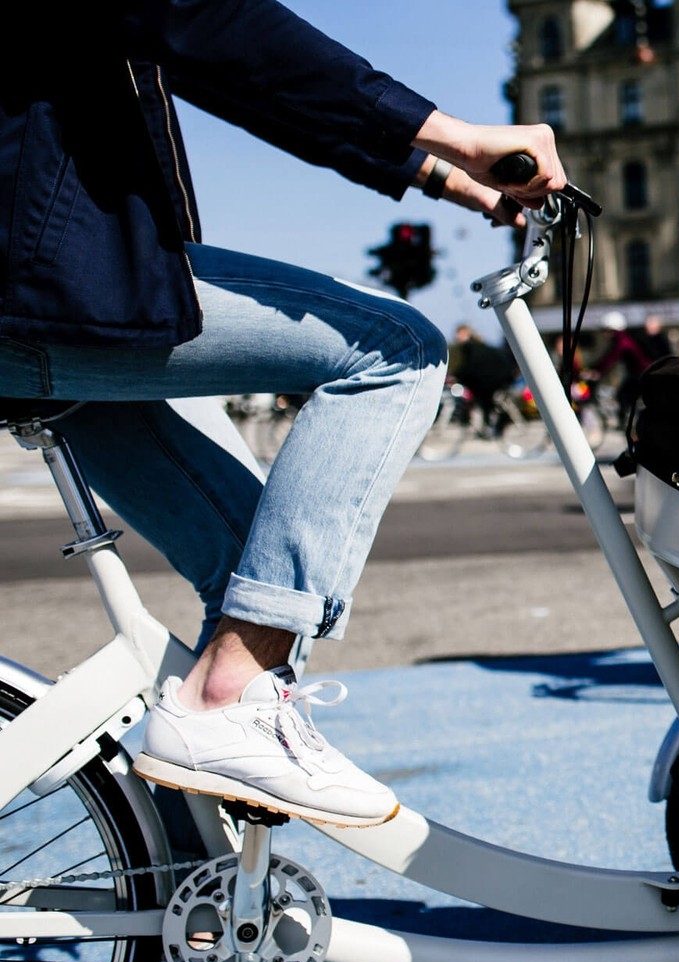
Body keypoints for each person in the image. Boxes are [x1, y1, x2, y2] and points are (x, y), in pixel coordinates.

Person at [0, 2, 566, 832]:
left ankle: (189, 900)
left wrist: (440, 170)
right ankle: (226, 696)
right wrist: (451, 132)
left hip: (53, 297)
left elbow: (232, 74)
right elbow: (206, 22)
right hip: (39, 293)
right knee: (398, 347)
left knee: (253, 566)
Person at [449, 324, 520, 436]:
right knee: (485, 403)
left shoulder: (471, 348)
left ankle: (492, 424)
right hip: (498, 379)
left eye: (460, 335)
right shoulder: (477, 346)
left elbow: (470, 367)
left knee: (484, 401)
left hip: (493, 380)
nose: (458, 338)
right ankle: (489, 426)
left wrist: (457, 377)